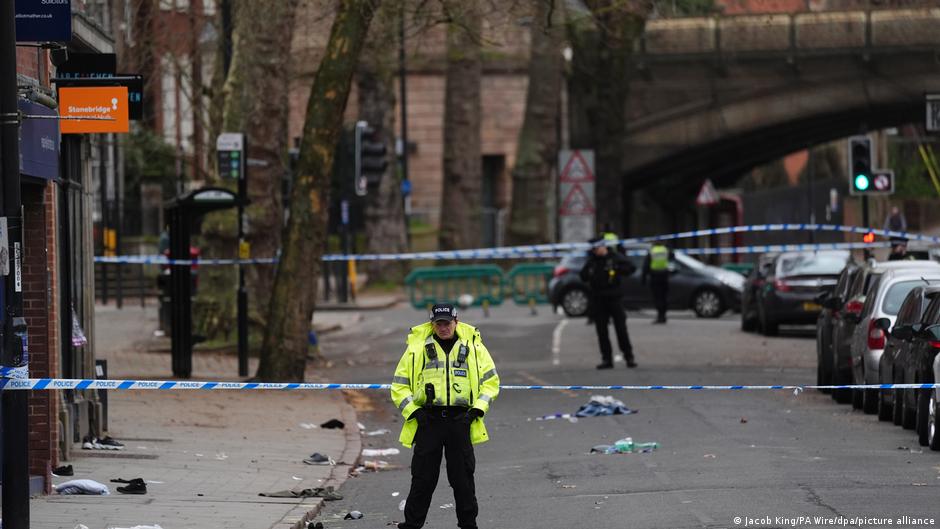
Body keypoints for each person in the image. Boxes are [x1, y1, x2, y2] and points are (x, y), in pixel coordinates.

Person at [391, 303, 500, 529]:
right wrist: (415, 412)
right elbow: (399, 386)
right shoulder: (417, 348)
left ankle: (468, 524)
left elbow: (491, 382)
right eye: (438, 324)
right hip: (428, 421)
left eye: (447, 323)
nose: (443, 328)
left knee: (463, 479)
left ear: (456, 322)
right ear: (432, 325)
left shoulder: (473, 347)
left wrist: (476, 410)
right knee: (422, 478)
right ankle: (412, 525)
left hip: (460, 421)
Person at [580, 236, 637, 369]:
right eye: (593, 249)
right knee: (602, 331)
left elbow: (631, 268)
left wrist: (617, 268)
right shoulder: (592, 261)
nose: (595, 251)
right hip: (598, 299)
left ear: (603, 246)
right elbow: (583, 276)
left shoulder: (614, 257)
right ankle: (607, 359)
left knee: (621, 329)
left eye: (597, 248)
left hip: (614, 298)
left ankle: (629, 357)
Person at [642, 243, 673, 324]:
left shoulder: (652, 251)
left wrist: (643, 278)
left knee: (657, 297)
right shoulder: (665, 250)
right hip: (664, 276)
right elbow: (672, 257)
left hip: (655, 276)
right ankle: (663, 315)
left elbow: (646, 265)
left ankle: (660, 316)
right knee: (663, 297)